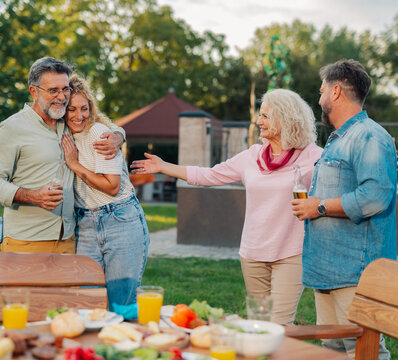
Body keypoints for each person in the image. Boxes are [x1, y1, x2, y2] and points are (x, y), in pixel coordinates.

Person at [131, 89, 322, 325]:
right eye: (259, 115)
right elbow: (209, 175)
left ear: (285, 118)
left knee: (280, 325)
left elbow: (338, 186)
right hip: (253, 253)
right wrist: (164, 166)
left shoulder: (313, 157)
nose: (259, 121)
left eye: (265, 116)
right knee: (258, 323)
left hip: (291, 253)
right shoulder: (252, 156)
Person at [291, 59, 396, 359]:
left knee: (364, 350)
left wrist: (319, 206)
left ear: (336, 92)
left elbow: (376, 195)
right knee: (333, 348)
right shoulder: (340, 140)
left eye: (322, 90)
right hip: (328, 269)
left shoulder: (370, 136)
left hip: (354, 272)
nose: (319, 97)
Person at [0, 57, 124, 253]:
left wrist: (117, 137)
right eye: (53, 90)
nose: (62, 96)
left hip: (69, 237)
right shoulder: (11, 128)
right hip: (26, 240)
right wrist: (33, 196)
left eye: (65, 89)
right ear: (34, 91)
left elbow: (103, 123)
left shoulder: (68, 121)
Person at [61, 75, 150, 309]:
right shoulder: (64, 133)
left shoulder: (99, 133)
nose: (78, 116)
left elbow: (112, 186)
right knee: (89, 304)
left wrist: (76, 165)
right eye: (71, 109)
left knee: (122, 303)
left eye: (84, 108)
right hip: (86, 224)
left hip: (120, 220)